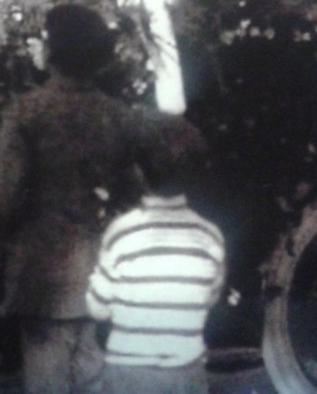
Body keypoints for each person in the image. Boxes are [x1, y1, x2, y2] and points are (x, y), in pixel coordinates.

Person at [0, 4, 142, 394]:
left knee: (47, 372)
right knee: (90, 366)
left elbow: (7, 195)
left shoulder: (28, 112)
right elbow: (133, 192)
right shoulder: (115, 114)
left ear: (52, 52)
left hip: (42, 271)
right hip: (98, 265)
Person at [86, 125, 225, 394]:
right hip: (187, 373)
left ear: (140, 174)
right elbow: (209, 300)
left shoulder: (121, 233)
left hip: (130, 374)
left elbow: (97, 308)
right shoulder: (210, 236)